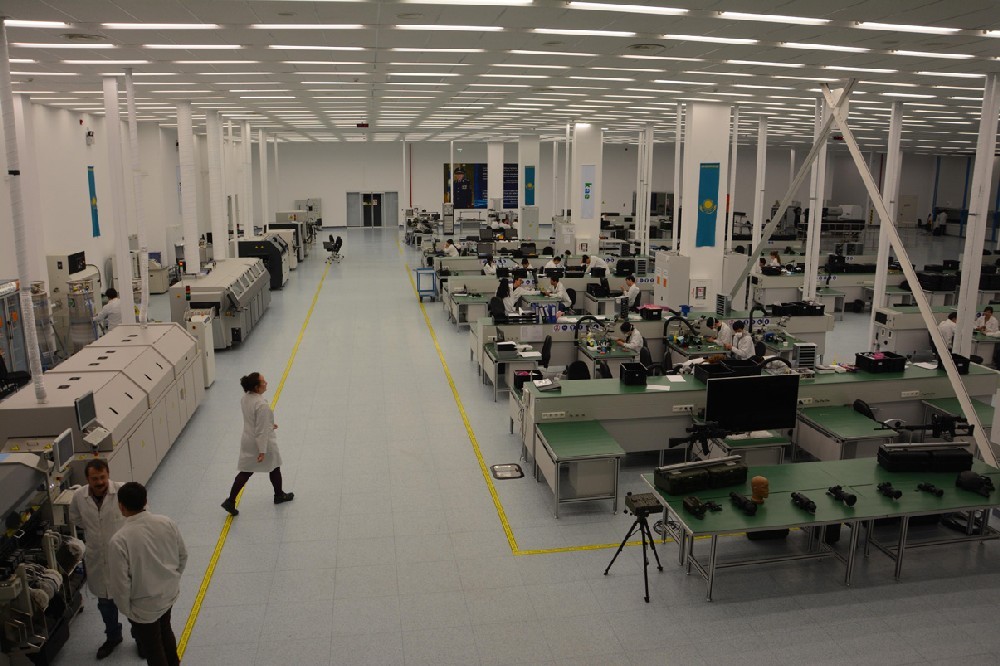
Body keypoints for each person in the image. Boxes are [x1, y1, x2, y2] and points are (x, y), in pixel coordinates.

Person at [108, 482, 186, 666]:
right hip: (168, 594)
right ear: (145, 501)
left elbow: (120, 583)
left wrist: (127, 610)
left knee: (152, 647)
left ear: (121, 506)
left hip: (143, 606)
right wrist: (172, 579)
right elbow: (182, 556)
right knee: (166, 631)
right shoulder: (166, 523)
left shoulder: (119, 540)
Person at [69, 459, 137, 660]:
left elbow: (139, 515)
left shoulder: (123, 491)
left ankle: (140, 638)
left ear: (108, 475)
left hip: (124, 556)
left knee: (131, 602)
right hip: (97, 558)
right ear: (87, 479)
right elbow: (76, 518)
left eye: (102, 477)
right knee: (106, 605)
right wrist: (97, 533)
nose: (99, 482)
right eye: (94, 478)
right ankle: (113, 637)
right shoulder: (79, 496)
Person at [222, 372, 294, 516]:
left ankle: (230, 500)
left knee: (245, 471)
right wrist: (262, 451)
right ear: (256, 387)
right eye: (263, 381)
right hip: (261, 442)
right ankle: (279, 495)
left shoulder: (245, 398)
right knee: (274, 466)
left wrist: (269, 424)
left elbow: (255, 420)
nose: (266, 383)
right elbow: (261, 431)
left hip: (248, 439)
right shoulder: (261, 405)